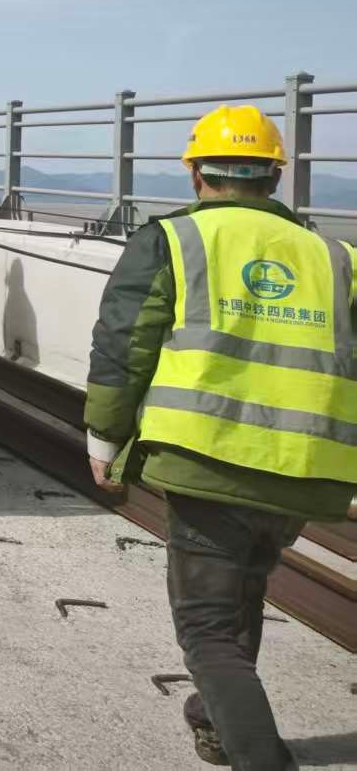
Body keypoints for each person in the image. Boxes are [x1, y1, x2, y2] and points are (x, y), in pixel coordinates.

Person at [85, 105, 356, 770]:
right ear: (275, 176)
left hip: (207, 461)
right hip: (303, 468)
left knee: (207, 631)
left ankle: (261, 758)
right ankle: (213, 721)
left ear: (195, 173)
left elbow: (124, 343)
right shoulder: (338, 257)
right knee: (242, 593)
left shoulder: (173, 240)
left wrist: (103, 439)